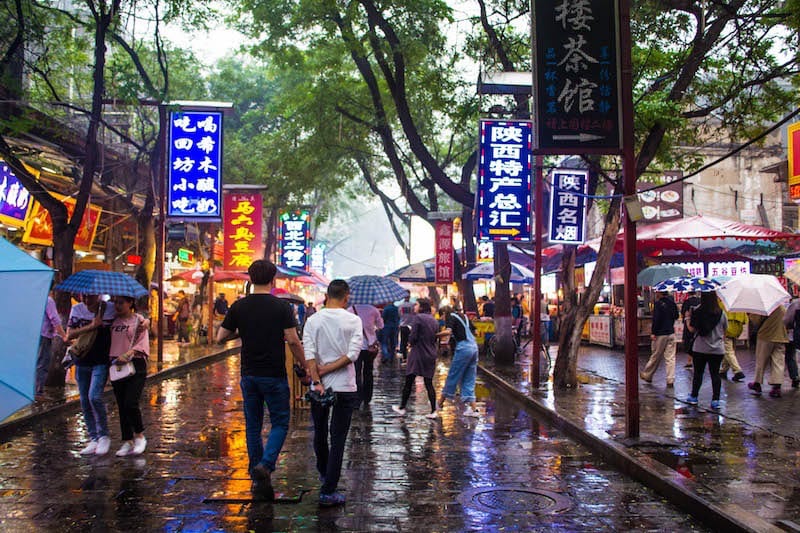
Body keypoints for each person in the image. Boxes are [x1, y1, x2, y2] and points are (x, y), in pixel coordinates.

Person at [216, 260, 306, 499]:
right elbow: (293, 340)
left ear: (250, 278)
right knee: (280, 422)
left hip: (249, 374)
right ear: (272, 279)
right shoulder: (281, 307)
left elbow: (219, 338)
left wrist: (242, 331)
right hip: (274, 374)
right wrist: (304, 365)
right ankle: (265, 465)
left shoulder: (239, 307)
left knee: (253, 425)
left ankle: (256, 472)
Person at [303, 279, 363, 507]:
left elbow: (309, 353)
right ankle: (329, 489)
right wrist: (329, 369)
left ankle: (324, 473)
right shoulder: (353, 320)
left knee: (319, 432)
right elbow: (353, 354)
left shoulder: (313, 320)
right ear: (346, 296)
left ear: (327, 295)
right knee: (338, 438)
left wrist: (318, 378)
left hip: (319, 387)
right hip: (345, 387)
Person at [66, 294, 116, 455]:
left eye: (91, 297)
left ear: (98, 296)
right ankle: (93, 437)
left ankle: (103, 436)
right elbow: (70, 334)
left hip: (101, 360)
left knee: (94, 396)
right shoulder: (77, 309)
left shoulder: (109, 309)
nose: (87, 300)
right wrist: (92, 325)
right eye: (84, 296)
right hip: (82, 360)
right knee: (84, 400)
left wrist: (144, 322)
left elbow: (127, 318)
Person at [109, 296, 150, 456]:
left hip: (135, 365)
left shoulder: (138, 320)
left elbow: (142, 341)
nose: (118, 306)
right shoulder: (111, 320)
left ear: (130, 303)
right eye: (116, 302)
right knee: (121, 404)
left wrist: (130, 353)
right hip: (116, 366)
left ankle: (139, 435)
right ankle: (127, 440)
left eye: (121, 302)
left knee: (130, 402)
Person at [392, 298, 440, 418]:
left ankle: (402, 407)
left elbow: (413, 337)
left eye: (417, 304)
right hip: (430, 353)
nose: (415, 306)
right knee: (428, 383)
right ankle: (434, 410)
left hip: (418, 353)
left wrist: (409, 342)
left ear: (422, 307)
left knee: (409, 380)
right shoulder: (434, 320)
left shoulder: (418, 318)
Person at [685, 291, 727, 409]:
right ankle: (715, 400)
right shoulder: (721, 313)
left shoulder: (698, 312)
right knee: (715, 374)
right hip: (717, 350)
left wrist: (687, 318)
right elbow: (725, 330)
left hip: (700, 348)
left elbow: (692, 330)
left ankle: (694, 396)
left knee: (698, 373)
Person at [436, 305, 481, 417]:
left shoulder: (450, 316)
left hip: (464, 348)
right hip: (474, 347)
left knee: (453, 375)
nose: (442, 320)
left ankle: (439, 403)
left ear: (444, 313)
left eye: (441, 317)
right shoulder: (464, 316)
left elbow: (448, 332)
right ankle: (473, 409)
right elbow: (475, 331)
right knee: (469, 377)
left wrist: (434, 335)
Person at [640, 289, 680, 387]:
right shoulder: (672, 303)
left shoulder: (658, 304)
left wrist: (653, 332)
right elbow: (676, 315)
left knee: (656, 355)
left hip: (660, 334)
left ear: (660, 293)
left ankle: (647, 374)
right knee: (670, 358)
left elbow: (656, 320)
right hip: (671, 332)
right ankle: (670, 379)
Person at [748, 305, 788, 398]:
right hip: (780, 336)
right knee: (778, 362)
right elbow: (787, 320)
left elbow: (756, 321)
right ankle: (776, 386)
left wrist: (751, 315)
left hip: (766, 336)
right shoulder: (782, 308)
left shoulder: (763, 307)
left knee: (761, 361)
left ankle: (757, 383)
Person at [349, 302, 383, 408]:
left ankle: (357, 398)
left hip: (355, 346)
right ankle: (367, 397)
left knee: (356, 372)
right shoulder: (373, 310)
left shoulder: (350, 310)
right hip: (370, 346)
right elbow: (381, 326)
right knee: (368, 371)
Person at [36, 289, 67, 395]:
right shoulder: (48, 300)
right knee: (43, 362)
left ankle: (36, 390)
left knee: (38, 361)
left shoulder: (37, 299)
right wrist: (64, 336)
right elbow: (55, 319)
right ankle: (38, 391)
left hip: (36, 334)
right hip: (44, 335)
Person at [720, 308, 747, 382]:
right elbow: (745, 321)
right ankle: (723, 370)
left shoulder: (723, 305)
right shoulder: (740, 308)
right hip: (737, 331)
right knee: (729, 351)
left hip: (727, 331)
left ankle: (738, 371)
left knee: (728, 352)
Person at [782, 298, 800, 388]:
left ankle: (795, 376)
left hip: (797, 335)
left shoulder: (796, 303)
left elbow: (787, 320)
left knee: (790, 355)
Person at [681, 291, 700, 367]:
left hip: (689, 324)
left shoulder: (687, 302)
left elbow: (683, 313)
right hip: (698, 324)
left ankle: (689, 361)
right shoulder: (699, 300)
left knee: (689, 342)